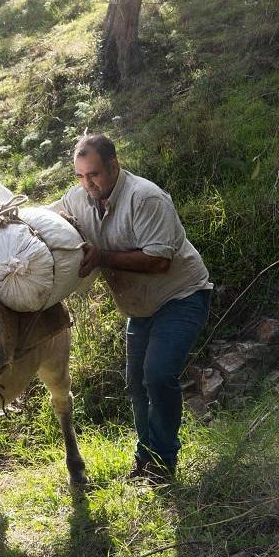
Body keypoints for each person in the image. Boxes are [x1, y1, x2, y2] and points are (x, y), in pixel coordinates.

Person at [53, 134, 212, 483]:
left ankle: (163, 463)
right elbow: (53, 218)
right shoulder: (79, 198)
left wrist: (102, 257)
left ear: (113, 165)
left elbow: (158, 261)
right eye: (79, 176)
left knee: (157, 375)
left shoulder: (146, 197)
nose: (87, 184)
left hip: (180, 296)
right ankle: (146, 460)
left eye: (93, 174)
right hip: (139, 309)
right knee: (137, 386)